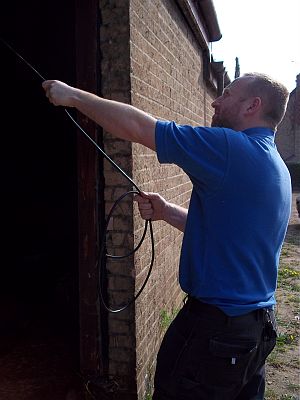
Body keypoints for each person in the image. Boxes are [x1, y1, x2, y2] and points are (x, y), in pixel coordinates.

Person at [43, 72, 291, 399]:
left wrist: (73, 96)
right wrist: (166, 211)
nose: (216, 101)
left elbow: (141, 128)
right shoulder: (274, 165)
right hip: (255, 331)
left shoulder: (232, 148)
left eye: (227, 93)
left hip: (217, 332)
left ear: (252, 105)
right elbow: (227, 233)